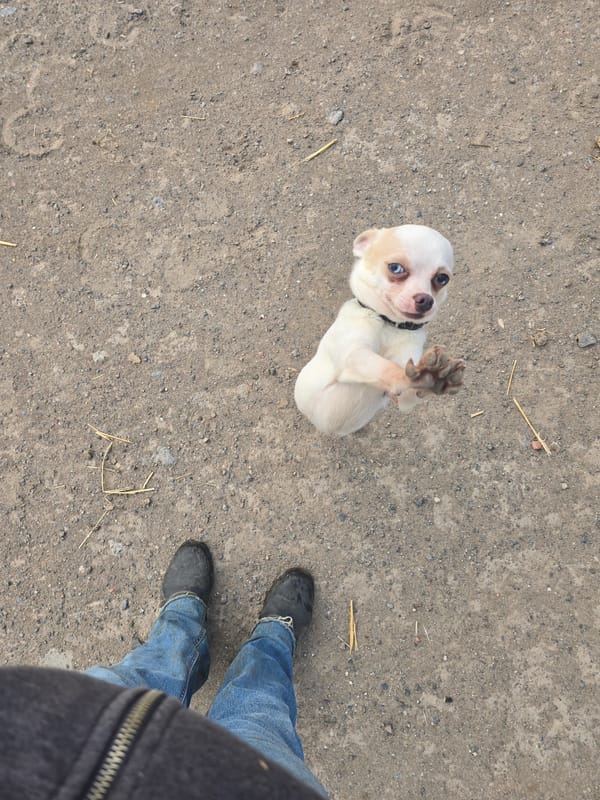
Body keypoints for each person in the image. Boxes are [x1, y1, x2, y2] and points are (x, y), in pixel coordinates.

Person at [0, 540, 328, 799]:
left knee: (135, 679)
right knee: (258, 718)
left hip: (54, 751)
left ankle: (181, 619)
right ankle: (272, 640)